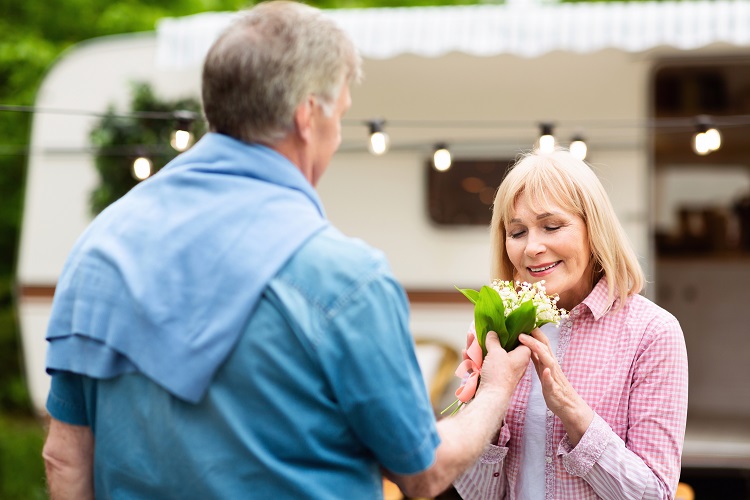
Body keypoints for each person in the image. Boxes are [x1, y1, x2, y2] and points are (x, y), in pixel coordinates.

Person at [41, 2, 533, 499]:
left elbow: (63, 458)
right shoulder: (346, 277)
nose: (338, 137)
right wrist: (494, 390)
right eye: (340, 114)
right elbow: (422, 472)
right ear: (307, 116)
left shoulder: (98, 250)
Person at [454, 148, 689, 499]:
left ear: (594, 229)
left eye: (551, 226)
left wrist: (569, 408)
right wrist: (493, 399)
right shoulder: (498, 329)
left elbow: (654, 494)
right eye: (517, 232)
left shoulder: (652, 332)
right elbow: (474, 493)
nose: (533, 247)